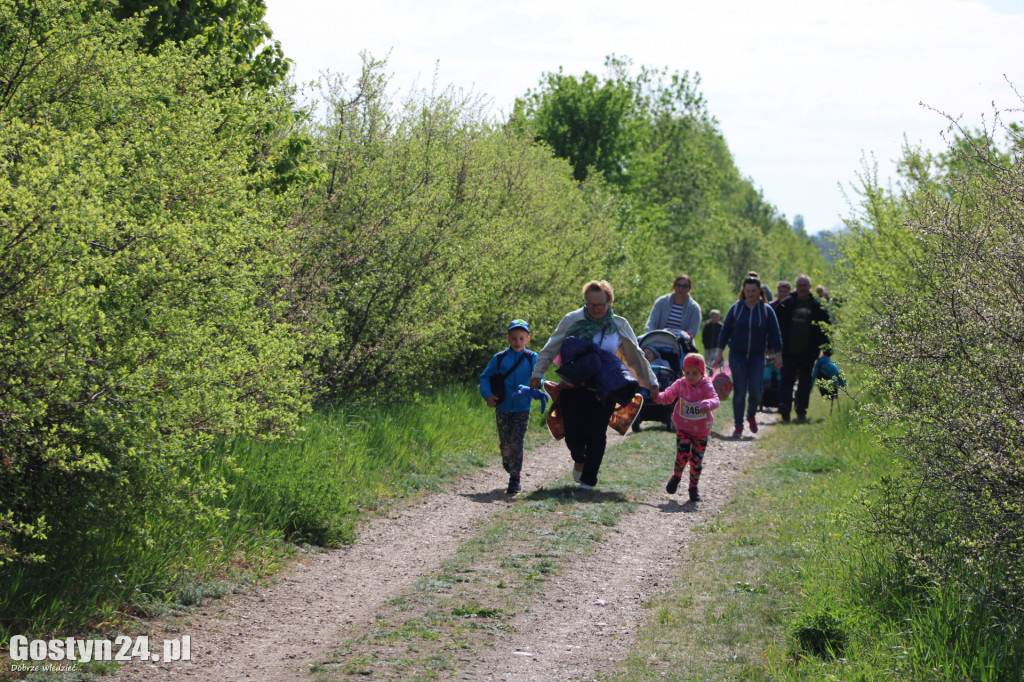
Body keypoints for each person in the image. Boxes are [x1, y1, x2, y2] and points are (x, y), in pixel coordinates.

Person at [530, 280, 660, 489]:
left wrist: (651, 382)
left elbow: (635, 356)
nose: (595, 309)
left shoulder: (618, 325)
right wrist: (538, 372)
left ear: (609, 302)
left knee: (596, 433)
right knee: (573, 434)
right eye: (590, 304)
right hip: (573, 385)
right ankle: (579, 459)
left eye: (600, 304)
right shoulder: (573, 320)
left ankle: (589, 481)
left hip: (604, 389)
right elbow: (551, 346)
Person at [714, 274, 783, 438]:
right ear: (743, 291)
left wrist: (779, 354)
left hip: (757, 357)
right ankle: (738, 425)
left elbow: (775, 334)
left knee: (757, 390)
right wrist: (719, 353)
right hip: (737, 356)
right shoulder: (736, 308)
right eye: (748, 291)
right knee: (739, 391)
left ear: (760, 291)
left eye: (754, 291)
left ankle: (751, 414)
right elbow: (725, 332)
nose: (750, 294)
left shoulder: (766, 310)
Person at [479, 319, 537, 494]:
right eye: (514, 338)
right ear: (508, 339)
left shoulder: (531, 357)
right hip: (502, 406)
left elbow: (538, 376)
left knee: (517, 442)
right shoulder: (500, 358)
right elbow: (485, 377)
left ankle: (515, 479)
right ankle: (507, 460)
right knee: (505, 443)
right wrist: (488, 395)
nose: (517, 342)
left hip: (522, 407)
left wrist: (537, 385)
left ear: (527, 339)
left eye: (521, 338)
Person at [654, 353, 720, 502]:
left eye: (695, 373)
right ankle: (677, 476)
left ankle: (693, 487)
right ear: (683, 372)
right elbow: (668, 396)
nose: (690, 376)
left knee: (696, 460)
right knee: (682, 455)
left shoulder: (706, 385)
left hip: (702, 430)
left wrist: (708, 403)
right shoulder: (680, 384)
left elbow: (715, 399)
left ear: (702, 373)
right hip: (683, 427)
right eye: (687, 372)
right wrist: (657, 397)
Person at [774, 275, 832, 422]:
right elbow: (775, 327)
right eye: (799, 285)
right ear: (796, 286)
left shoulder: (817, 306)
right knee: (787, 379)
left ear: (810, 287)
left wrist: (827, 350)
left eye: (804, 285)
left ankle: (801, 410)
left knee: (805, 382)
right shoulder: (785, 304)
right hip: (788, 351)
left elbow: (826, 329)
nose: (801, 288)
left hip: (809, 352)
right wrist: (773, 347)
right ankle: (785, 406)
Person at [645, 275, 702, 340]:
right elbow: (651, 323)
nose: (681, 288)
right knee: (646, 350)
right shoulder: (661, 302)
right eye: (678, 285)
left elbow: (693, 331)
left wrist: (681, 338)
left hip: (682, 343)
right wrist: (651, 336)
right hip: (658, 339)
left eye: (685, 286)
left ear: (689, 288)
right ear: (674, 286)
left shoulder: (694, 308)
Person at [701, 309, 722, 375]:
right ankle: (708, 372)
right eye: (715, 317)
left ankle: (715, 373)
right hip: (707, 347)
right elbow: (704, 335)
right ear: (711, 317)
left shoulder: (720, 326)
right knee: (707, 359)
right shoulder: (707, 325)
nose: (717, 318)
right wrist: (705, 344)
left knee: (714, 359)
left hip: (716, 347)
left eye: (718, 317)